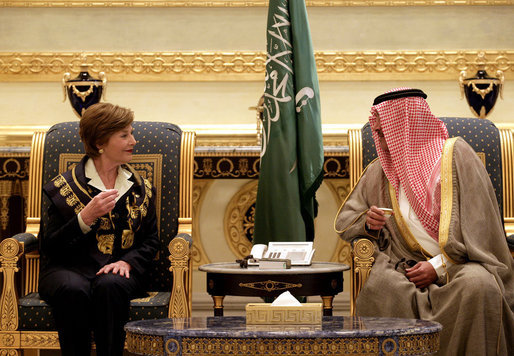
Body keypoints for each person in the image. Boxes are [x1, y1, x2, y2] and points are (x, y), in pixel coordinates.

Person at [334, 88, 514, 355]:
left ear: (404, 129)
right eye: (379, 134)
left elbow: (482, 229)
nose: (380, 142)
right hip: (403, 265)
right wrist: (368, 223)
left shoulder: (457, 157)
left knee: (480, 287)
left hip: (462, 263)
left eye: (384, 133)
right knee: (383, 288)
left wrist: (438, 266)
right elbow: (348, 219)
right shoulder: (379, 171)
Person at [38, 103, 160, 356]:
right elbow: (49, 246)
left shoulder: (140, 187)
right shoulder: (64, 187)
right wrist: (85, 217)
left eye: (131, 133)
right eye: (124, 135)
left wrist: (128, 263)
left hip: (118, 270)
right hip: (68, 268)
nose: (133, 141)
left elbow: (150, 240)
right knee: (73, 289)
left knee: (110, 285)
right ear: (100, 142)